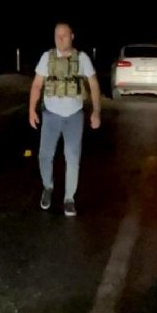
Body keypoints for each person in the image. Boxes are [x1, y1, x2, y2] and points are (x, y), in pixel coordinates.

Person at [28, 23, 101, 216]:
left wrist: (96, 112)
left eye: (64, 36)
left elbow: (93, 85)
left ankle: (69, 198)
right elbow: (37, 85)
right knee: (44, 156)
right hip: (51, 115)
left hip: (74, 117)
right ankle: (48, 187)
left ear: (72, 36)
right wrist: (31, 110)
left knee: (73, 159)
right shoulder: (47, 57)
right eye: (57, 36)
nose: (61, 39)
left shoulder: (82, 58)